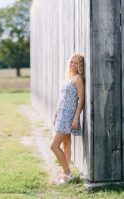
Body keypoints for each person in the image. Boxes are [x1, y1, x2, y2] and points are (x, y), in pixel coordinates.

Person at [50, 53, 85, 185]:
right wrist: (55, 113)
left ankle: (68, 173)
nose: (73, 65)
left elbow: (81, 100)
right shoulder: (68, 78)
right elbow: (62, 99)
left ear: (80, 65)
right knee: (66, 144)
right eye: (71, 62)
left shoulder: (78, 79)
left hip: (68, 116)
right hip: (61, 114)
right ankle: (64, 173)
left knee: (53, 146)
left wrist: (76, 118)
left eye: (76, 63)